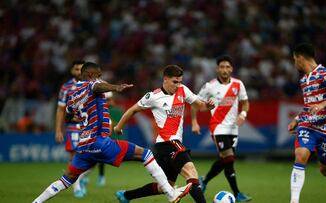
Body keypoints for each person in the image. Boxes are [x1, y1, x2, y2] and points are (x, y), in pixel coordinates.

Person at [33, 62, 192, 203]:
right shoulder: (91, 85)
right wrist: (115, 87)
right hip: (100, 142)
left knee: (66, 180)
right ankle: (170, 193)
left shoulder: (73, 94)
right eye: (99, 75)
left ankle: (37, 201)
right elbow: (97, 86)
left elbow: (68, 116)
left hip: (83, 147)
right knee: (146, 154)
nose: (101, 78)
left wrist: (82, 118)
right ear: (90, 75)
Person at [113, 64, 215, 203]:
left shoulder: (183, 90)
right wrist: (119, 127)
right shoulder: (153, 96)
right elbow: (133, 110)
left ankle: (126, 196)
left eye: (180, 82)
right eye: (175, 82)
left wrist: (207, 106)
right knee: (191, 173)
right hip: (168, 143)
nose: (178, 85)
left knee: (166, 186)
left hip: (166, 146)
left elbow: (200, 106)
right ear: (165, 79)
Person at [287, 43, 326, 203]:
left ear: (300, 58)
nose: (294, 63)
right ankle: (294, 201)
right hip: (308, 126)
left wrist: (323, 104)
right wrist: (297, 119)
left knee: (325, 170)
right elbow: (309, 106)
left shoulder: (324, 73)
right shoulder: (304, 80)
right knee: (300, 155)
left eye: (294, 60)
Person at [191, 55, 252, 202]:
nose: (225, 70)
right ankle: (237, 193)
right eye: (222, 67)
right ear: (217, 69)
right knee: (229, 158)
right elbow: (195, 103)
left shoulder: (238, 84)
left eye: (227, 67)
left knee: (225, 160)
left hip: (233, 128)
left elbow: (245, 102)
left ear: (231, 69)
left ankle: (204, 180)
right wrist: (194, 122)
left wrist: (243, 114)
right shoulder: (210, 86)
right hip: (217, 127)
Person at [54, 60, 87, 197]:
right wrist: (58, 130)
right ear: (72, 71)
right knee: (74, 155)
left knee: (90, 157)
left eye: (81, 69)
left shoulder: (92, 85)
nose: (79, 72)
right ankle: (77, 187)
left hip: (89, 126)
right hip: (73, 127)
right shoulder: (66, 87)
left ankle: (81, 177)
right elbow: (61, 109)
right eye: (76, 69)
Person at [97, 91, 127, 187]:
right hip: (104, 139)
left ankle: (98, 177)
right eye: (107, 100)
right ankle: (99, 177)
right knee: (97, 159)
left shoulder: (117, 111)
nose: (108, 101)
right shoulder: (101, 111)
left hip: (115, 139)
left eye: (109, 99)